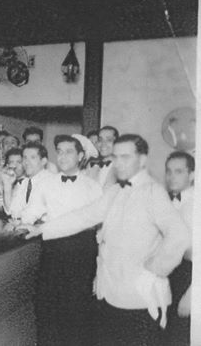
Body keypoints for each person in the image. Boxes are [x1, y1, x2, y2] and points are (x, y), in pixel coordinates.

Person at [24, 134, 190, 346]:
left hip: (140, 299)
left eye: (126, 157)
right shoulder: (116, 191)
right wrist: (41, 229)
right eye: (116, 157)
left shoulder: (153, 191)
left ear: (141, 161)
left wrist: (155, 271)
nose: (118, 163)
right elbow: (84, 216)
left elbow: (180, 235)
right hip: (112, 294)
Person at [20, 134, 103, 346]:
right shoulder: (46, 184)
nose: (63, 156)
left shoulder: (93, 187)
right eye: (59, 151)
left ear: (81, 156)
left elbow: (101, 231)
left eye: (69, 151)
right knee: (46, 308)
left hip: (82, 252)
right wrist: (22, 223)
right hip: (53, 251)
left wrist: (100, 269)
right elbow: (31, 212)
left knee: (77, 314)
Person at [164, 151, 194, 346]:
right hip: (168, 276)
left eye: (178, 171)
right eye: (168, 171)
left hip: (189, 278)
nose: (171, 176)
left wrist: (193, 295)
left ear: (191, 175)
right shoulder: (165, 201)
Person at [5, 142, 54, 221]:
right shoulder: (25, 182)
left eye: (32, 157)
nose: (26, 162)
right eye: (24, 158)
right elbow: (12, 211)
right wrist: (7, 185)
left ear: (43, 161)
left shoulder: (50, 181)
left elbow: (32, 214)